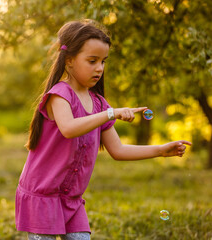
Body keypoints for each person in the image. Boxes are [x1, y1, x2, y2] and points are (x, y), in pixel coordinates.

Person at [15, 19, 192, 240]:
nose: (99, 68)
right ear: (69, 60)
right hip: (43, 195)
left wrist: (160, 150)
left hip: (72, 199)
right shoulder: (60, 95)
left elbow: (117, 150)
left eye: (103, 61)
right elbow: (69, 129)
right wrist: (112, 113)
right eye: (92, 61)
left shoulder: (99, 103)